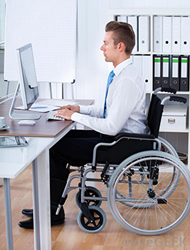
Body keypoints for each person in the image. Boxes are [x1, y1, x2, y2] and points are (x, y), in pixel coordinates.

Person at [18, 21, 150, 229]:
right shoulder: (121, 75)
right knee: (57, 141)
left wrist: (75, 118)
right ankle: (49, 207)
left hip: (119, 144)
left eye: (105, 43)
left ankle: (51, 211)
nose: (101, 47)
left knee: (55, 148)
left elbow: (111, 126)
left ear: (120, 47)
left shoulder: (127, 81)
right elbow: (108, 112)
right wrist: (79, 110)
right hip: (115, 139)